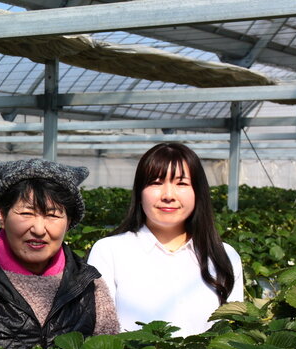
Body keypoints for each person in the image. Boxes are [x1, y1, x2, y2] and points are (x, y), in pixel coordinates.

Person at [0, 159, 119, 349]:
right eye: (26, 213)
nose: (39, 230)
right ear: (2, 216)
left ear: (69, 222)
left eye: (53, 215)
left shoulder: (89, 284)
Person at [87, 142, 243, 337]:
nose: (168, 195)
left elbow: (232, 333)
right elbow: (101, 332)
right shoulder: (109, 252)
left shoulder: (224, 255)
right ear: (139, 192)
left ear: (198, 192)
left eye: (181, 183)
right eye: (156, 182)